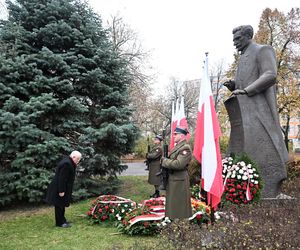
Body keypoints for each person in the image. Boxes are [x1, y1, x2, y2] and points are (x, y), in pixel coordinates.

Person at [224, 25, 288, 198]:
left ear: (248, 36)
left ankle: (269, 184)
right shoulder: (243, 58)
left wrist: (246, 90)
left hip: (260, 110)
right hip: (244, 111)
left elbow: (270, 75)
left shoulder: (263, 50)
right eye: (233, 40)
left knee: (264, 144)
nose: (234, 43)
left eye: (238, 39)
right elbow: (242, 82)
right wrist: (234, 85)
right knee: (245, 145)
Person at [161, 126, 192, 219]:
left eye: (175, 134)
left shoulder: (185, 148)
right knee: (173, 203)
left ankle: (180, 224)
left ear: (182, 135)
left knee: (179, 204)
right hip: (174, 178)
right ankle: (173, 221)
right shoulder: (178, 147)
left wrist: (164, 161)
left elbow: (178, 164)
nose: (173, 136)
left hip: (179, 179)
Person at [45, 150, 82, 228]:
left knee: (62, 204)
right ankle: (60, 223)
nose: (78, 161)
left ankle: (63, 220)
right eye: (78, 159)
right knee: (59, 205)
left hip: (62, 188)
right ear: (73, 157)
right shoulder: (67, 164)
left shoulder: (69, 162)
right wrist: (61, 191)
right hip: (59, 188)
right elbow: (62, 178)